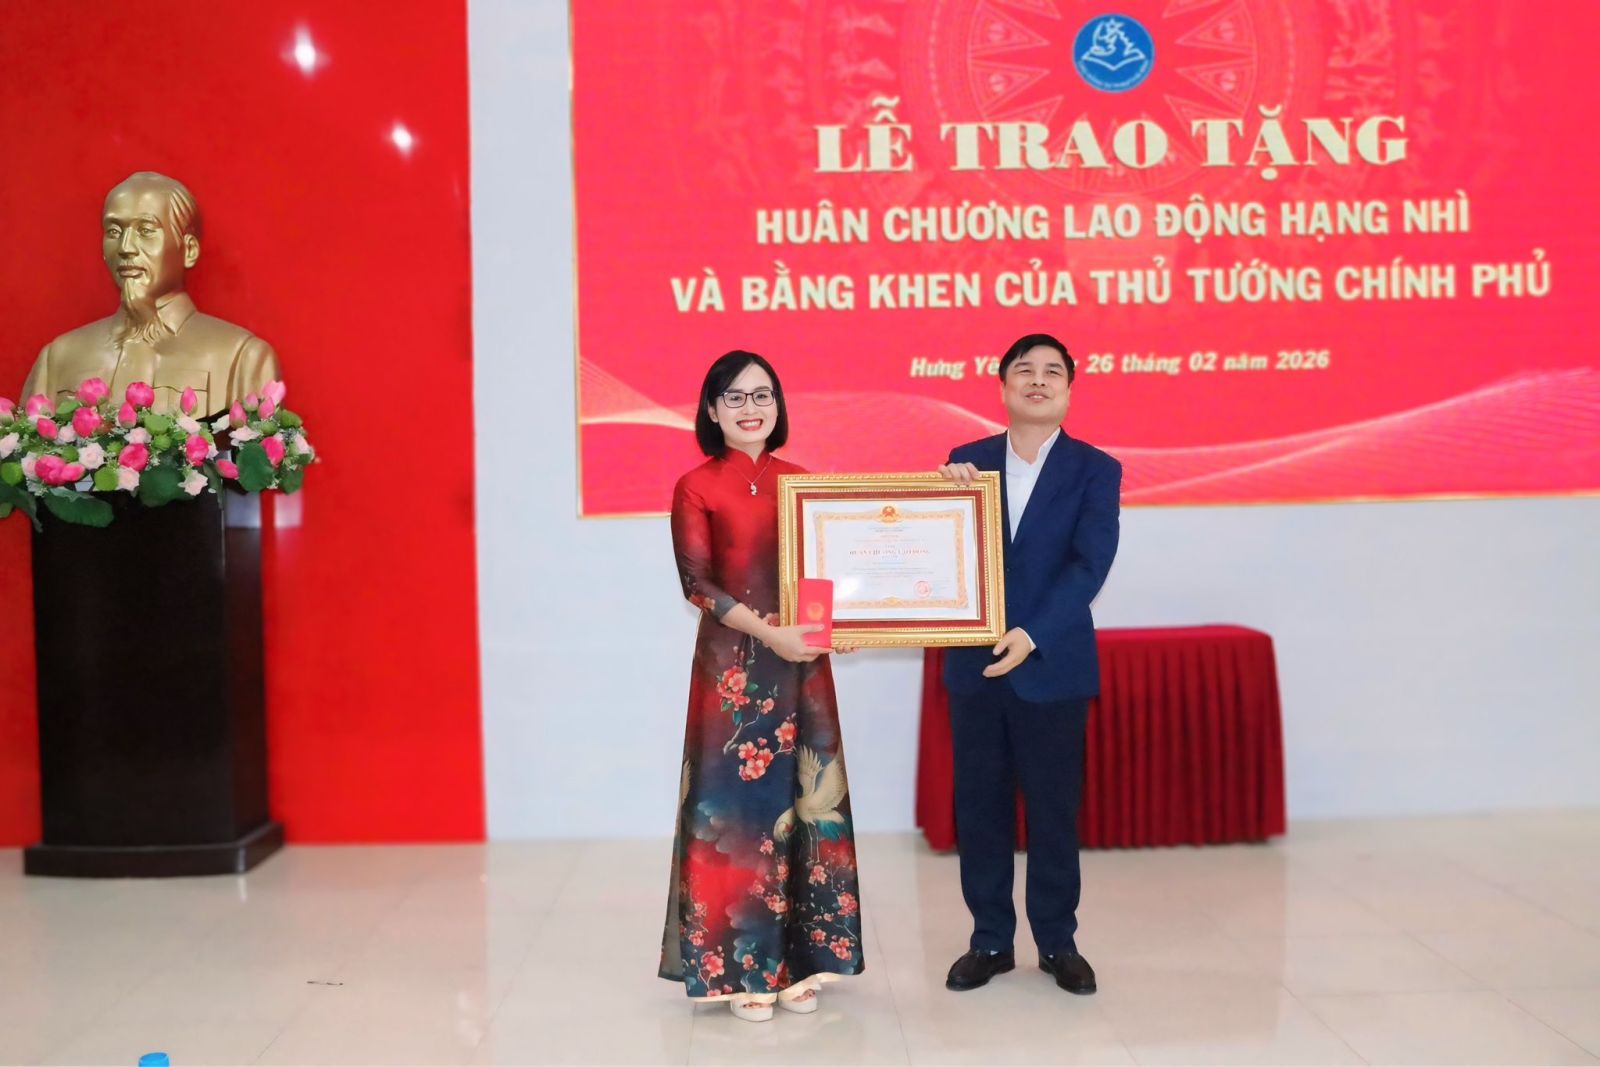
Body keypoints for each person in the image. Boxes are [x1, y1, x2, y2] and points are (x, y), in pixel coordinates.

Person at [660, 351, 865, 1023]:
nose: (751, 408)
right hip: (734, 673)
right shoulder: (696, 486)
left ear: (778, 406)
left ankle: (802, 964)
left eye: (763, 395)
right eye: (736, 396)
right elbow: (698, 584)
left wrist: (846, 625)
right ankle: (745, 970)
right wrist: (769, 635)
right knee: (740, 814)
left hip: (801, 665)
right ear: (712, 409)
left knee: (804, 806)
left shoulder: (801, 483)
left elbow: (824, 578)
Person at [937, 332, 1121, 996]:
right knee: (980, 810)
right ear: (1003, 386)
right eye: (1024, 370)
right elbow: (938, 554)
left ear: (1069, 388)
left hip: (1052, 665)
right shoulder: (965, 462)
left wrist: (1032, 633)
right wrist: (937, 497)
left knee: (1053, 812)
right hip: (975, 666)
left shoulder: (1096, 469)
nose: (1037, 381)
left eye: (1052, 372)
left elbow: (1089, 565)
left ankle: (1057, 942)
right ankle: (989, 940)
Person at [21, 172, 278, 416]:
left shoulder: (241, 359)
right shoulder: (58, 358)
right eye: (114, 231)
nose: (125, 247)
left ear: (189, 250)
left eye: (145, 230)